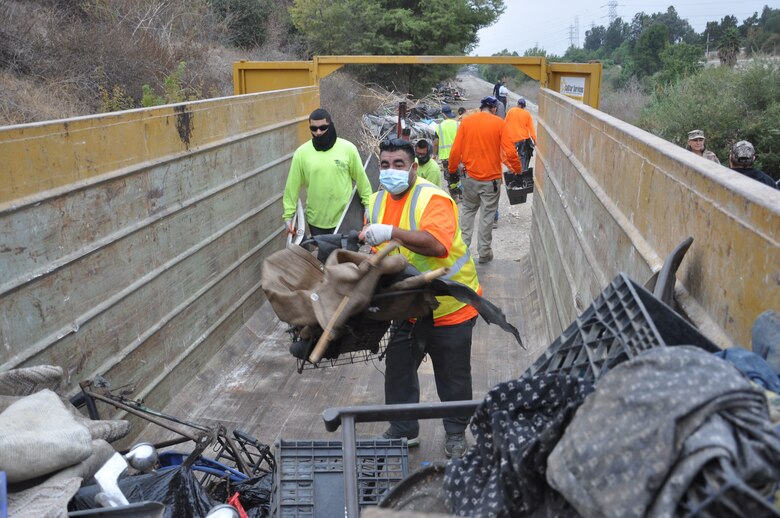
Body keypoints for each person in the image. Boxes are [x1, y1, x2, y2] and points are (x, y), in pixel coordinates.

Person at [359, 137, 481, 458]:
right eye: (384, 165)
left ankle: (455, 433)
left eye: (399, 164)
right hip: (409, 306)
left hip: (449, 304)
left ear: (414, 167)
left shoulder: (433, 199)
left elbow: (437, 245)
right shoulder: (375, 202)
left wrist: (390, 232)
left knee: (452, 374)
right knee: (399, 369)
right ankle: (403, 429)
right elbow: (380, 255)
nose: (390, 171)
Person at [448, 96, 518, 264]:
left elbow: (455, 150)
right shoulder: (499, 123)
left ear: (481, 107)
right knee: (487, 216)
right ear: (494, 108)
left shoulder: (466, 122)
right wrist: (517, 169)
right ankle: (484, 253)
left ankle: (463, 250)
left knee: (468, 211)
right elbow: (510, 151)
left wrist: (452, 170)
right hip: (491, 181)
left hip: (469, 178)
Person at [282, 108, 373, 235]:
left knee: (344, 255)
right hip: (316, 222)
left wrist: (368, 205)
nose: (318, 132)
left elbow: (361, 179)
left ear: (330, 126)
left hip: (344, 220)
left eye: (322, 127)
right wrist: (288, 216)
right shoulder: (301, 154)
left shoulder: (348, 149)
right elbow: (292, 187)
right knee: (324, 255)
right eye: (314, 129)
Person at [502, 97, 537, 174]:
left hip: (511, 138)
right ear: (524, 106)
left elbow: (505, 124)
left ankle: (511, 170)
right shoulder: (527, 114)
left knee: (511, 155)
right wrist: (534, 140)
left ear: (517, 104)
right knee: (522, 156)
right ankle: (521, 172)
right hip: (522, 139)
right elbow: (531, 128)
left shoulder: (511, 111)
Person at [433, 105, 458, 176]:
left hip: (445, 157)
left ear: (443, 114)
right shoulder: (458, 124)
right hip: (458, 156)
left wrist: (434, 155)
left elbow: (435, 143)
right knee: (460, 176)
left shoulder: (439, 126)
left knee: (450, 177)